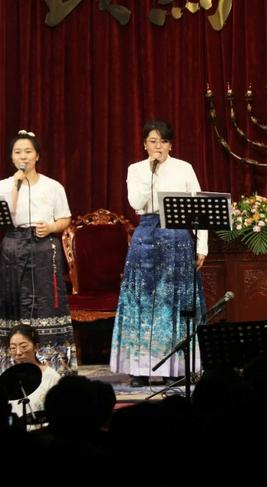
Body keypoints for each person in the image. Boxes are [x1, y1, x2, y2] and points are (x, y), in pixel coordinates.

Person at [110, 120, 208, 387]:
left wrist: (202, 246)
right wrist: (151, 173)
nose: (158, 146)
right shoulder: (137, 169)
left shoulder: (184, 168)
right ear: (145, 144)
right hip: (147, 235)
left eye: (163, 141)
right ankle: (139, 370)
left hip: (177, 236)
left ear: (170, 144)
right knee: (142, 302)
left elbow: (199, 207)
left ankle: (176, 368)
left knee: (174, 304)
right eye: (153, 141)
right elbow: (136, 202)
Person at [0, 130, 76, 378]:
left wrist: (50, 227)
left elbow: (65, 218)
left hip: (43, 247)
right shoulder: (4, 185)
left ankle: (54, 368)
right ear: (11, 158)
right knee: (13, 304)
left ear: (37, 155)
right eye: (17, 152)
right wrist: (16, 184)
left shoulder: (52, 185)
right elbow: (7, 214)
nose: (23, 156)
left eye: (28, 151)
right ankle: (9, 367)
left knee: (47, 305)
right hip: (13, 247)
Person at [3, 324, 62, 419]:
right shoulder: (5, 378)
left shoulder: (52, 377)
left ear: (36, 347)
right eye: (13, 348)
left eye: (23, 346)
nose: (18, 352)